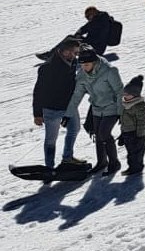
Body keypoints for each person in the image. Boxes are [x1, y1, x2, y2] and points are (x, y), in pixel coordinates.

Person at [67, 47, 124, 176]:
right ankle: (102, 162)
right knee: (98, 135)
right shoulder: (82, 75)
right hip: (97, 108)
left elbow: (120, 91)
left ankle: (114, 163)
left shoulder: (109, 71)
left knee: (104, 133)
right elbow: (77, 95)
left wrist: (121, 113)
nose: (84, 67)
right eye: (82, 65)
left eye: (86, 65)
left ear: (94, 62)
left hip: (112, 107)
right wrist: (68, 114)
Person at [33, 37, 85, 171]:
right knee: (51, 139)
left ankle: (67, 157)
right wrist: (37, 114)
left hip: (69, 107)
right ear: (62, 51)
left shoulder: (73, 63)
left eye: (76, 53)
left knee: (74, 129)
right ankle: (49, 167)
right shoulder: (47, 68)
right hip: (52, 108)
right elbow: (38, 91)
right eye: (70, 52)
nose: (73, 55)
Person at [118, 75, 145, 176]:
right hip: (127, 132)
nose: (125, 96)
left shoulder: (140, 106)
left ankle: (137, 168)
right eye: (125, 93)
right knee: (130, 152)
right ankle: (132, 167)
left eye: (128, 94)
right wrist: (122, 134)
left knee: (137, 153)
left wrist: (139, 136)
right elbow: (123, 120)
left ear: (135, 95)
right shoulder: (125, 104)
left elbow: (141, 122)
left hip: (136, 134)